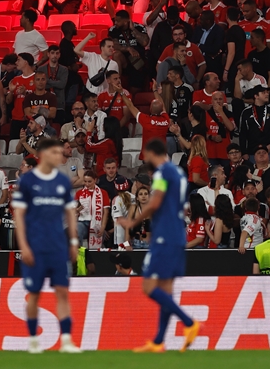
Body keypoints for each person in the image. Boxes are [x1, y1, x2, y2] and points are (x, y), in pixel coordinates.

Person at [117, 138, 199, 353]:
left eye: (146, 155)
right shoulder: (179, 173)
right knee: (166, 290)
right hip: (177, 235)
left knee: (148, 286)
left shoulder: (163, 172)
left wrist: (134, 221)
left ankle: (189, 323)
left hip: (164, 236)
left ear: (153, 154)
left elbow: (155, 201)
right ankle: (158, 342)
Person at [12, 138, 81, 353]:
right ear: (43, 154)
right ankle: (33, 340)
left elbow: (70, 212)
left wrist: (73, 241)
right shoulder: (27, 181)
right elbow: (20, 216)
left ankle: (67, 340)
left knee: (62, 292)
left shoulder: (61, 181)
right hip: (35, 247)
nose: (59, 156)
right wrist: (23, 245)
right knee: (34, 294)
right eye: (55, 152)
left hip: (58, 247)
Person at [74, 170, 110, 249]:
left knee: (101, 238)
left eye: (89, 181)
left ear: (95, 180)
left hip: (97, 223)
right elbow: (74, 211)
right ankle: (78, 255)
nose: (87, 184)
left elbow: (106, 212)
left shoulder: (103, 193)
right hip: (83, 222)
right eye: (85, 181)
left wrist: (103, 227)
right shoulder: (79, 193)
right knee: (76, 232)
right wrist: (77, 210)